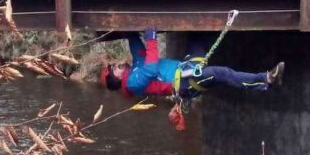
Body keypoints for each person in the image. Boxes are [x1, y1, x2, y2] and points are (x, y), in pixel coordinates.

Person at [99, 28, 284, 99]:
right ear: (116, 77)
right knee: (222, 74)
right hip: (186, 84)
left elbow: (137, 49)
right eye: (112, 68)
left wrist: (128, 30)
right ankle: (266, 79)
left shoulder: (135, 67)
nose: (115, 65)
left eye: (112, 65)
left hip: (186, 70)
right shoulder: (132, 82)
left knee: (198, 40)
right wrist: (151, 38)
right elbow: (151, 67)